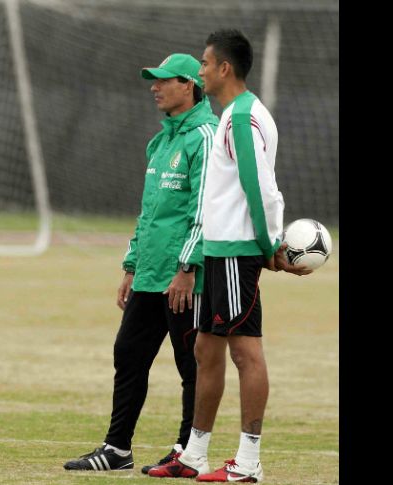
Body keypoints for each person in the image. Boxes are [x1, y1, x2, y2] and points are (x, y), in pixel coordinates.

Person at [147, 29, 311, 483]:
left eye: (203, 63)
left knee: (245, 354)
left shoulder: (242, 118)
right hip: (216, 251)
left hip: (238, 251)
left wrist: (267, 245)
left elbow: (259, 187)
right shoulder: (232, 115)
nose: (199, 71)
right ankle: (195, 453)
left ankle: (249, 462)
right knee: (205, 349)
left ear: (224, 68)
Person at [63, 53, 218, 473]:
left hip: (185, 278)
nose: (154, 87)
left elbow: (204, 210)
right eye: (153, 80)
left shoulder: (205, 135)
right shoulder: (160, 140)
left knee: (192, 365)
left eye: (163, 80)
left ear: (188, 85)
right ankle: (117, 450)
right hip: (150, 274)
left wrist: (187, 269)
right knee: (128, 353)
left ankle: (189, 452)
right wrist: (131, 266)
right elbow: (149, 211)